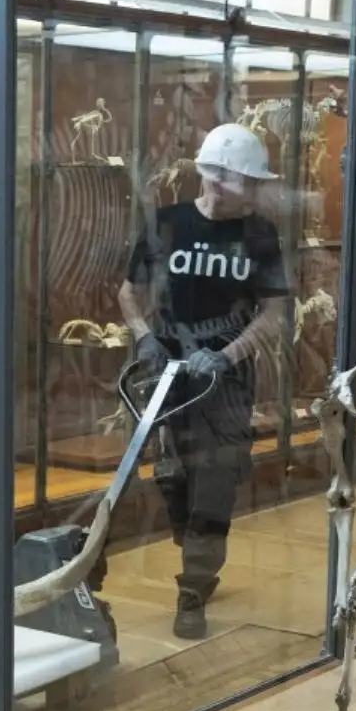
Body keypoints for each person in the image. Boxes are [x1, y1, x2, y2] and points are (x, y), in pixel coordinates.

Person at [119, 122, 290, 640]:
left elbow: (276, 311)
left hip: (226, 384)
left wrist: (228, 354)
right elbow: (128, 293)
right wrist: (145, 337)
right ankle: (196, 550)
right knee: (172, 477)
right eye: (250, 183)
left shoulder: (259, 234)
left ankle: (192, 587)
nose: (257, 193)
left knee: (214, 484)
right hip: (167, 376)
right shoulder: (166, 224)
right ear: (216, 181)